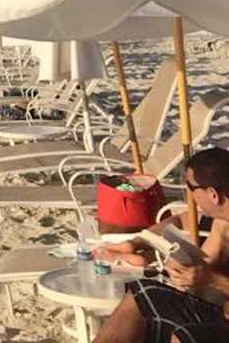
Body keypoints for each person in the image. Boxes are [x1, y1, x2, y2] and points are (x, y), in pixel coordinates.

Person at [93, 146, 229, 343]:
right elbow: (205, 266)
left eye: (191, 188)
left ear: (212, 194)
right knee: (144, 294)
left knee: (187, 336)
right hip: (219, 313)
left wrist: (212, 279)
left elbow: (210, 277)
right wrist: (186, 271)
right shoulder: (222, 221)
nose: (189, 196)